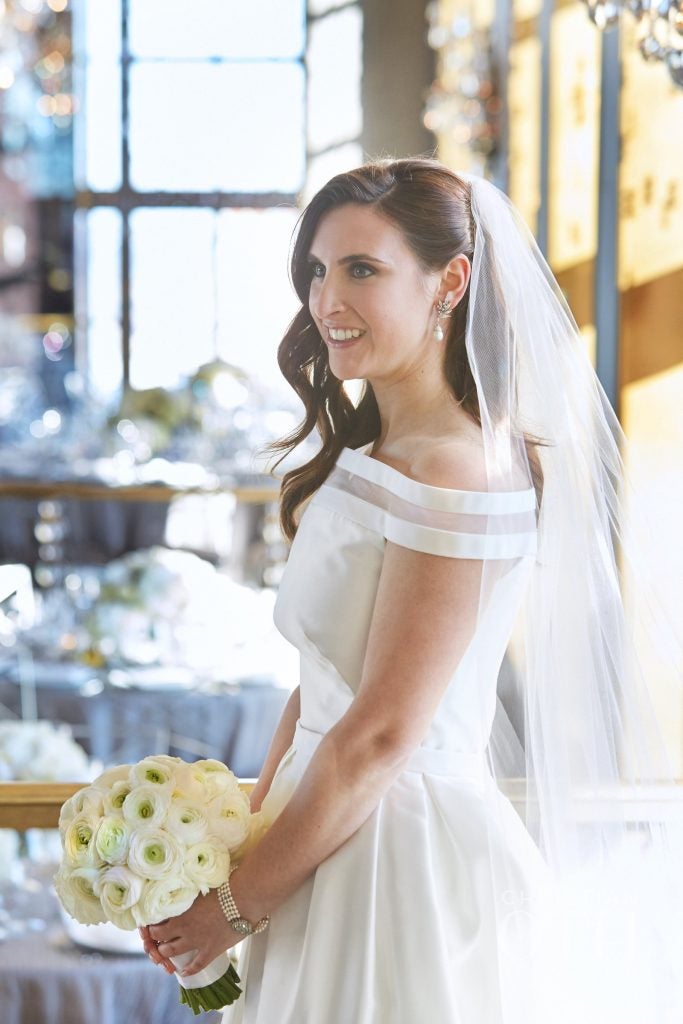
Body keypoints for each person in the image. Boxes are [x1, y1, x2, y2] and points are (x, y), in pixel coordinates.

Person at [141, 158, 683, 1023]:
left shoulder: (457, 472)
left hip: (392, 860)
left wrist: (235, 909)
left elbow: (382, 735)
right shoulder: (376, 457)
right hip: (315, 833)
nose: (326, 300)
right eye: (317, 270)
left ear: (449, 283)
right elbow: (322, 686)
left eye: (362, 269)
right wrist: (242, 843)